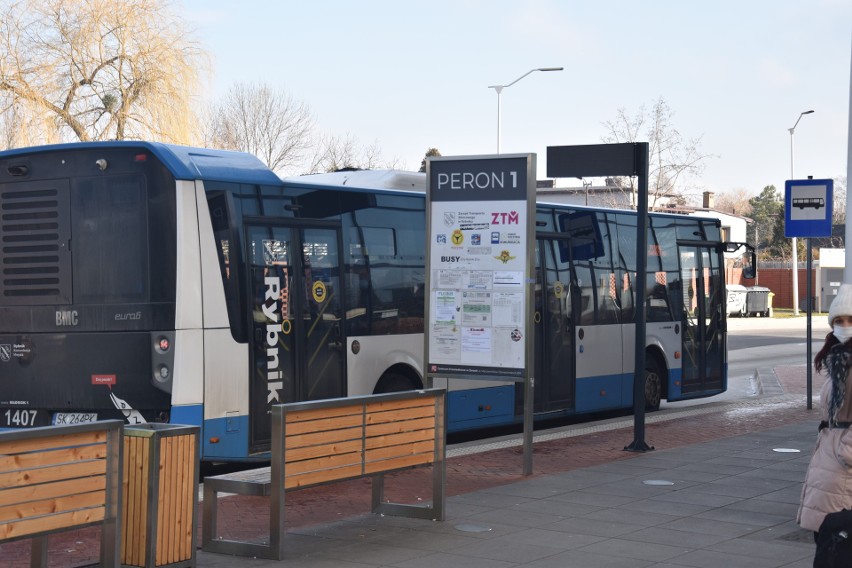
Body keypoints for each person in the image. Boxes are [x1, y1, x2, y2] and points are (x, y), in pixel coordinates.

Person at [798, 283, 852, 567]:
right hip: (829, 461)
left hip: (841, 466)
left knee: (836, 545)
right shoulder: (838, 358)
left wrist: (846, 451)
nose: (844, 326)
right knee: (829, 541)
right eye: (839, 321)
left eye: (851, 320)